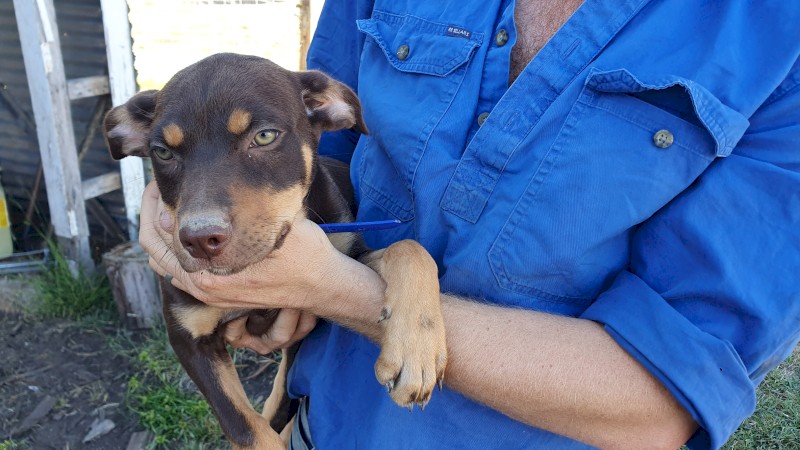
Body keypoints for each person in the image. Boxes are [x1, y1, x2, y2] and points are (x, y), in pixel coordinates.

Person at [140, 1, 800, 448]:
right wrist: (180, 194)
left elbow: (664, 401)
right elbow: (314, 153)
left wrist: (333, 290)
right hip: (325, 425)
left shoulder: (776, 39)